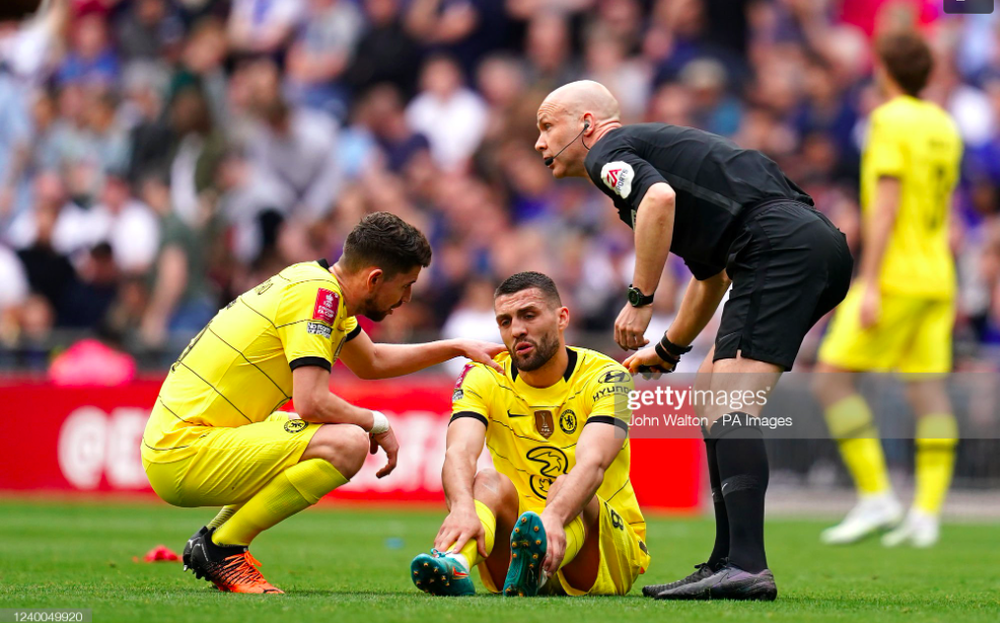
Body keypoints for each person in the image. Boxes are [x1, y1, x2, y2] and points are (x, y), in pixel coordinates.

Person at [534, 80, 853, 600]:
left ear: (587, 125)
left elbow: (657, 199)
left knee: (731, 402)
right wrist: (668, 348)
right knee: (710, 394)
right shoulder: (651, 153)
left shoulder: (608, 153)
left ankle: (747, 565)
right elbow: (710, 278)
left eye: (548, 126)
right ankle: (727, 560)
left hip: (778, 246)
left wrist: (641, 299)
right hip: (793, 244)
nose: (540, 142)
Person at [141, 212, 504, 594]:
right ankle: (223, 549)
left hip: (194, 439)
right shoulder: (319, 297)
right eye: (406, 285)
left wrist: (456, 347)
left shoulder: (316, 284)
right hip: (181, 451)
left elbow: (373, 361)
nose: (408, 299)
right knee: (347, 443)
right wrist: (376, 422)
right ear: (375, 279)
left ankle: (214, 540)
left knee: (340, 436)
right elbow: (310, 402)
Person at [409, 271, 649, 597]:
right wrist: (462, 506)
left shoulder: (609, 376)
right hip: (513, 553)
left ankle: (538, 554)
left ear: (562, 317)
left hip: (604, 552)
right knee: (486, 481)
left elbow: (593, 463)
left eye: (529, 315)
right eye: (505, 321)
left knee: (567, 484)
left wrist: (552, 517)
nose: (517, 329)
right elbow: (459, 452)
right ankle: (455, 562)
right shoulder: (482, 375)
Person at [813, 31, 962, 548]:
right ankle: (927, 513)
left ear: (884, 69)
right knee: (927, 390)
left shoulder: (888, 120)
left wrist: (870, 281)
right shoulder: (945, 123)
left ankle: (877, 495)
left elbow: (886, 203)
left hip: (896, 275)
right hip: (939, 274)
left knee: (830, 376)